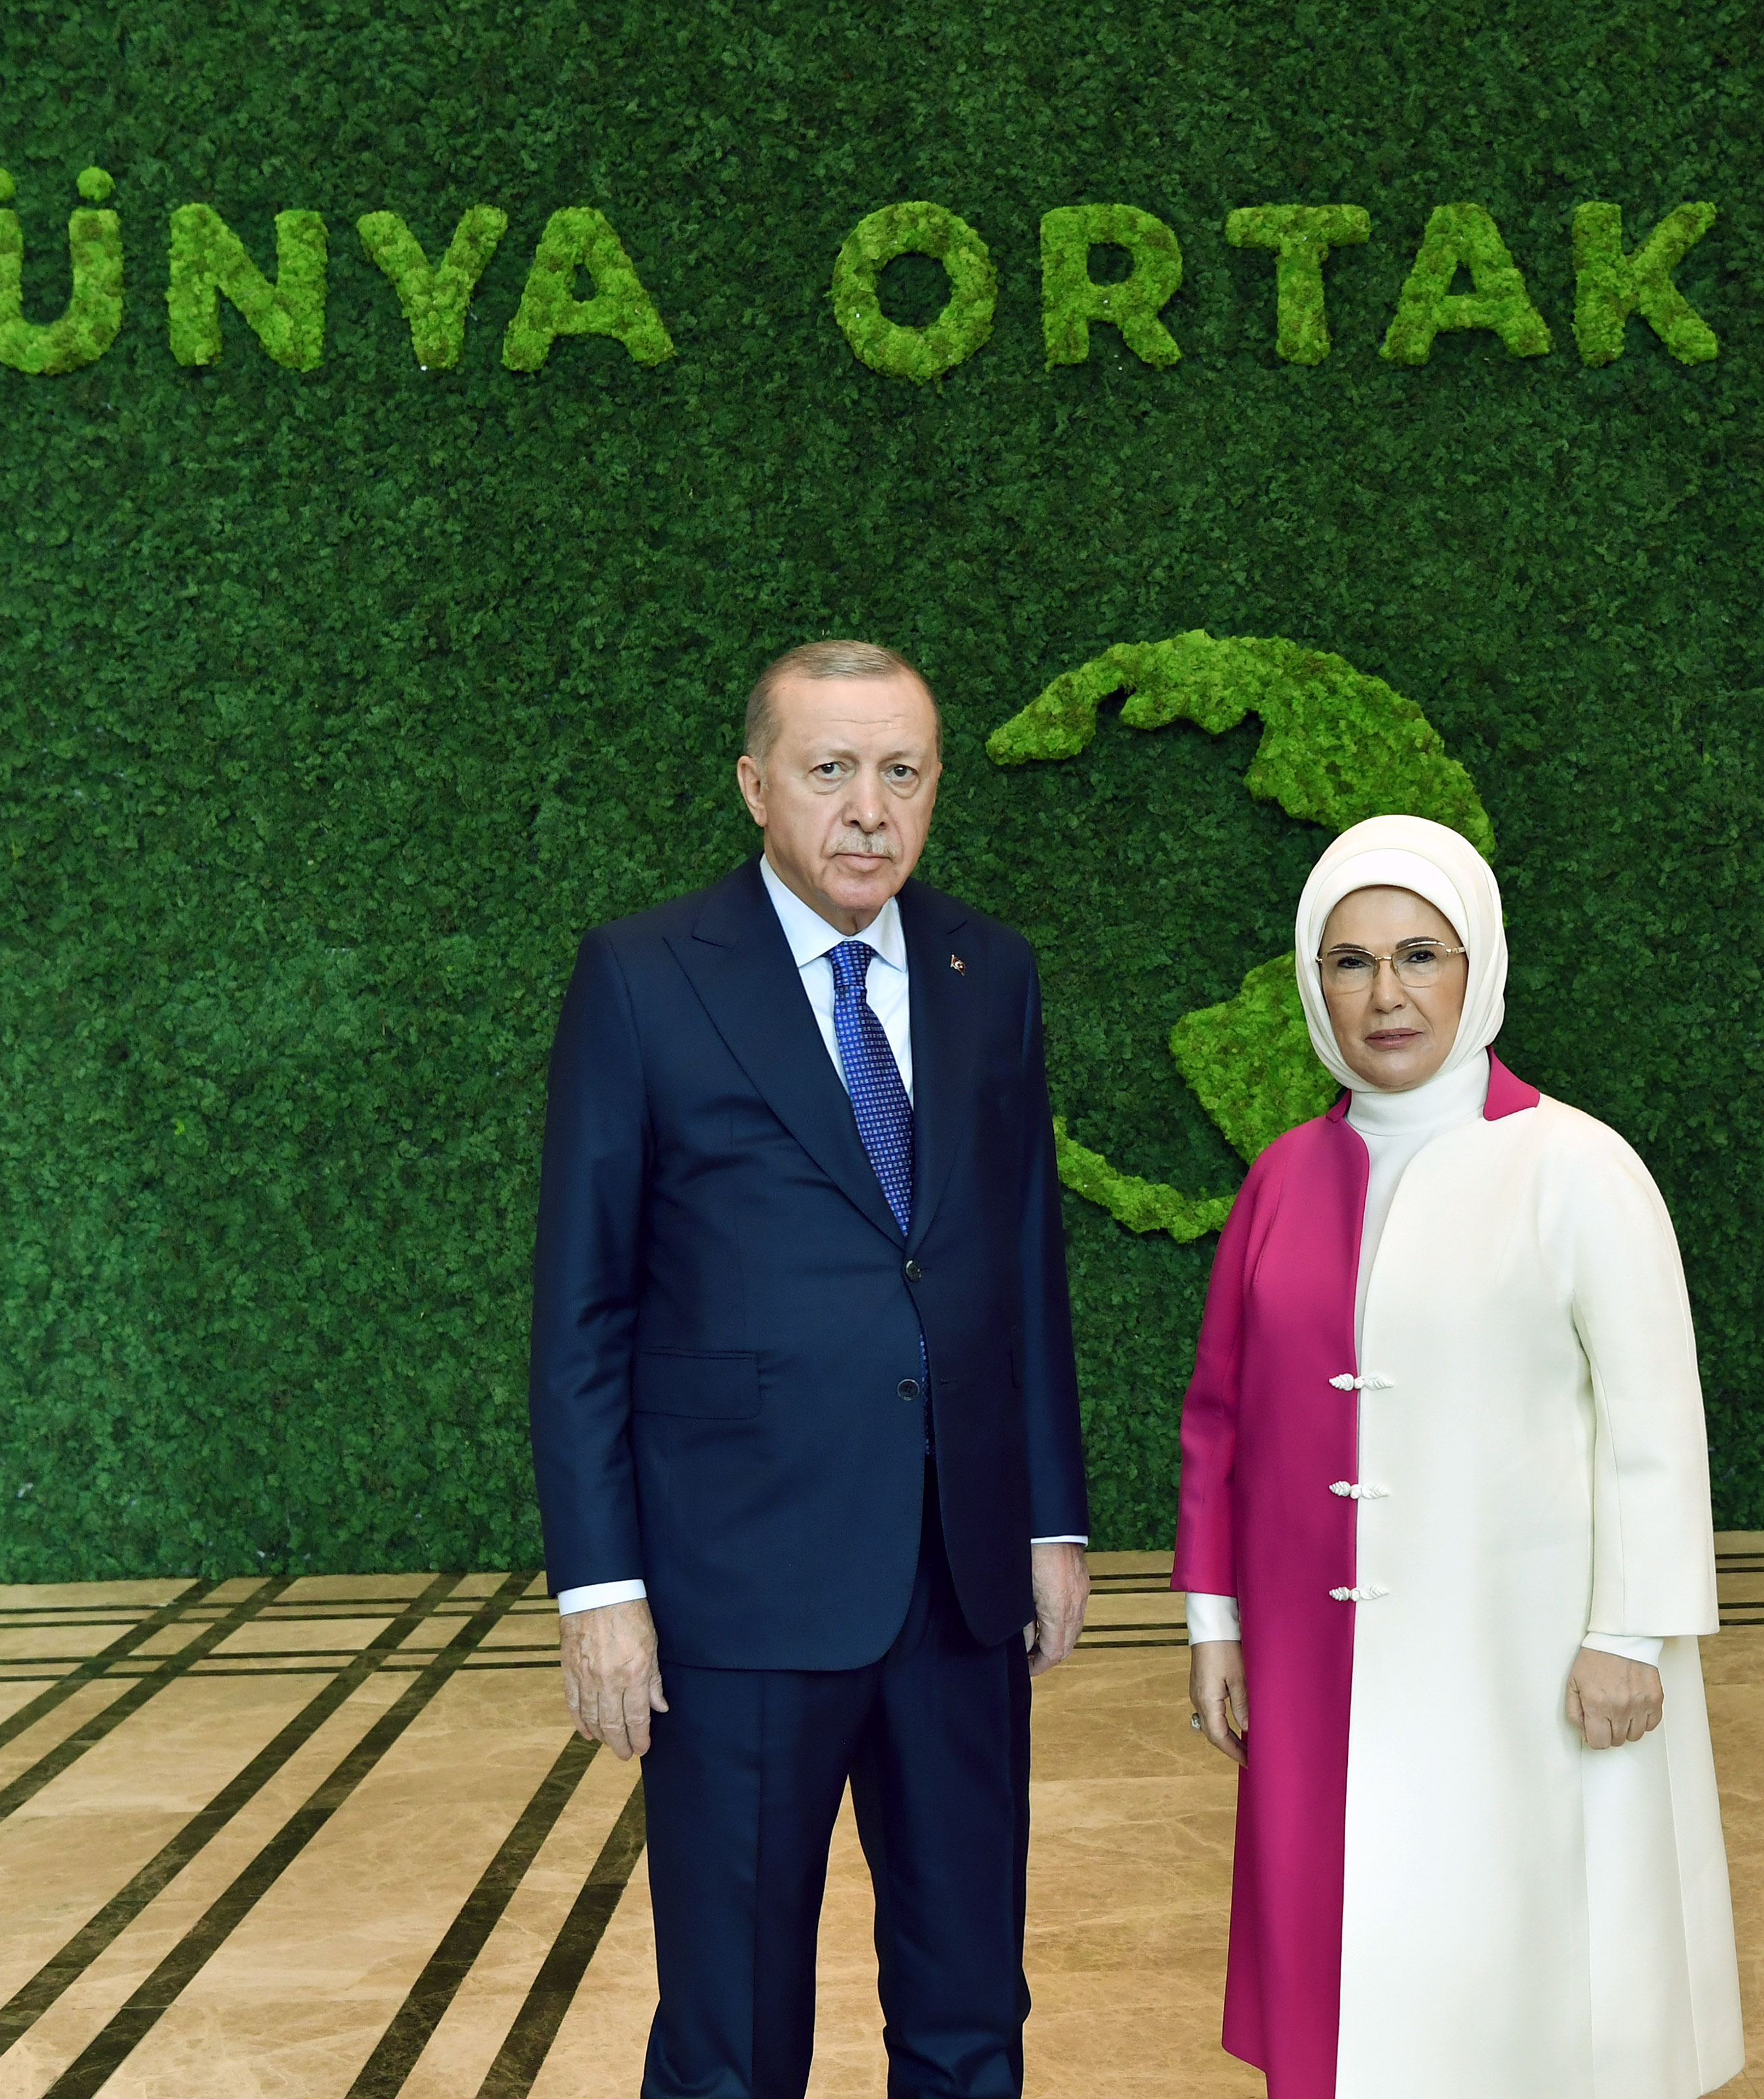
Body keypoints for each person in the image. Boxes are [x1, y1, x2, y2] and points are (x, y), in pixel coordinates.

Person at [528, 639, 1092, 2099]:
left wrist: (1049, 1517)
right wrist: (600, 1590)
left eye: (901, 771)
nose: (868, 809)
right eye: (830, 769)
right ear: (754, 785)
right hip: (738, 1593)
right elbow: (582, 1305)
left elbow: (1022, 1260)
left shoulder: (989, 968)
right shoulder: (643, 974)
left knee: (971, 2013)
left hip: (960, 1585)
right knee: (731, 2033)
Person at [1171, 813, 1742, 2099]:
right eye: (1351, 961)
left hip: (1528, 1653)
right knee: (1353, 1950)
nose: (1386, 993)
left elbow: (1656, 1418)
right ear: (1313, 982)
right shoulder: (1279, 1179)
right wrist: (1215, 1622)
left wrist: (1630, 1635)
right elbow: (1220, 1414)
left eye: (1419, 954)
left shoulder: (1576, 1165)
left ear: (1477, 964)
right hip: (1317, 1656)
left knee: (1529, 1961)